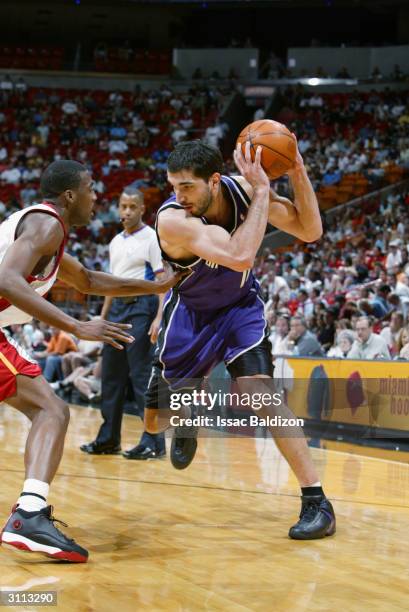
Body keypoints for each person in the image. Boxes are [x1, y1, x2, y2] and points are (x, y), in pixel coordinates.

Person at [143, 139, 336, 540]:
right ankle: (184, 417)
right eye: (173, 186)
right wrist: (264, 190)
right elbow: (241, 254)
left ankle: (316, 500)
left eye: (187, 186)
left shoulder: (243, 190)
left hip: (239, 310)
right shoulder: (173, 219)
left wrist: (297, 170)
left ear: (215, 180)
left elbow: (311, 230)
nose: (179, 195)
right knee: (154, 418)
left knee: (261, 394)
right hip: (191, 316)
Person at [0, 160, 181, 563]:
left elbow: (89, 281)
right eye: (90, 188)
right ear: (69, 196)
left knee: (50, 409)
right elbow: (7, 280)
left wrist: (157, 285)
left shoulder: (45, 230)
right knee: (51, 410)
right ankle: (29, 513)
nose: (96, 197)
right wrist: (76, 326)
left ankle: (29, 512)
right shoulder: (46, 225)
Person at [81, 186, 167, 459]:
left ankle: (153, 441)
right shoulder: (114, 242)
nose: (127, 211)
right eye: (123, 206)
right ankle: (108, 439)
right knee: (112, 377)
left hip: (142, 307)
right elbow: (110, 286)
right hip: (117, 308)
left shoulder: (152, 237)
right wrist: (102, 320)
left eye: (132, 207)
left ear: (142, 209)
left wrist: (159, 317)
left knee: (141, 376)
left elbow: (162, 281)